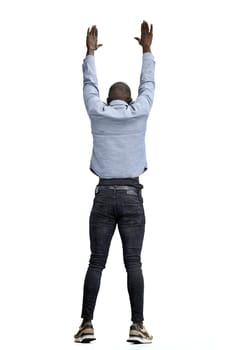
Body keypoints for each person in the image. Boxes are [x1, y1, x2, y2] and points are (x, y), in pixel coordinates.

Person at [74, 20, 155, 344]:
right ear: (130, 99)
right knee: (133, 262)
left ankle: (86, 325)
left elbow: (88, 86)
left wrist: (90, 54)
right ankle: (137, 326)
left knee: (96, 261)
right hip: (133, 196)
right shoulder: (140, 111)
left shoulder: (97, 111)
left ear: (109, 101)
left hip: (104, 196)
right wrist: (147, 50)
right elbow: (148, 84)